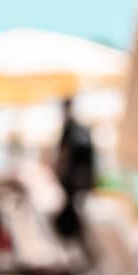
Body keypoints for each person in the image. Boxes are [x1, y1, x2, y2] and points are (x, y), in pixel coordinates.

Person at [50, 98, 98, 254]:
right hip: (81, 184)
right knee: (77, 220)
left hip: (74, 185)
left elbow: (64, 156)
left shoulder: (71, 129)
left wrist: (59, 172)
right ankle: (80, 251)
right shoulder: (82, 130)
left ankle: (78, 250)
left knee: (73, 220)